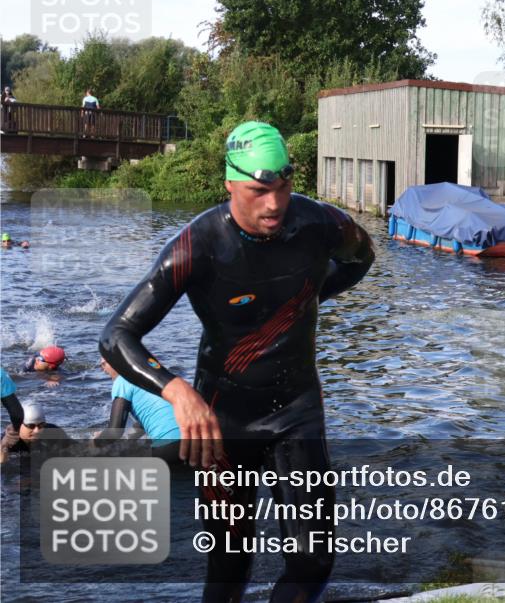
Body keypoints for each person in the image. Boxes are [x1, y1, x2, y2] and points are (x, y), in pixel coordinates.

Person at [100, 120, 375, 602]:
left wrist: (304, 300)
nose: (275, 204)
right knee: (230, 563)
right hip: (222, 418)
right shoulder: (197, 245)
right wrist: (176, 390)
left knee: (314, 558)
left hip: (297, 410)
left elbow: (361, 258)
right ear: (230, 182)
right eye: (258, 190)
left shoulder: (321, 225)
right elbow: (116, 336)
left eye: (283, 187)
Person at [93, 357, 180, 462]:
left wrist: (95, 442)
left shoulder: (123, 380)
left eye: (103, 364)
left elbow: (114, 432)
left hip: (168, 445)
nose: (102, 369)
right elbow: (150, 418)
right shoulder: (151, 377)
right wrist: (126, 440)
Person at [0, 403, 69, 463]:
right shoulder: (9, 439)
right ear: (19, 425)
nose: (37, 431)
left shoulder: (54, 433)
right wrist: (3, 446)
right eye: (31, 426)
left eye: (41, 425)